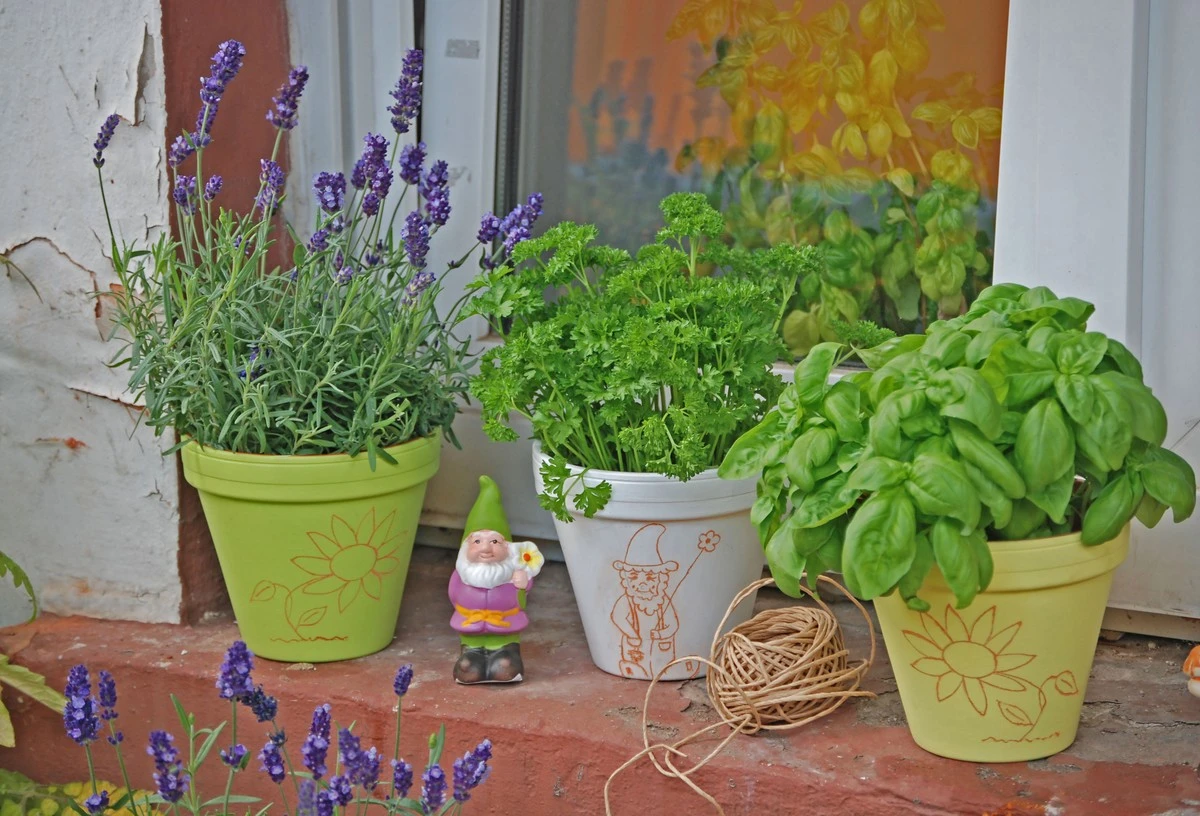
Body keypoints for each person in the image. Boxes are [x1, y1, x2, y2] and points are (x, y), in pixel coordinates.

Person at [449, 476, 543, 684]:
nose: (485, 548)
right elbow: (454, 595)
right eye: (477, 541)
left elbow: (522, 597)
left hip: (505, 628)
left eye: (494, 541)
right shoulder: (462, 574)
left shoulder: (512, 572)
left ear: (507, 547)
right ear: (466, 547)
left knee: (505, 667)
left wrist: (523, 584)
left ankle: (506, 656)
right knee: (467, 668)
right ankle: (470, 655)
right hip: (470, 628)